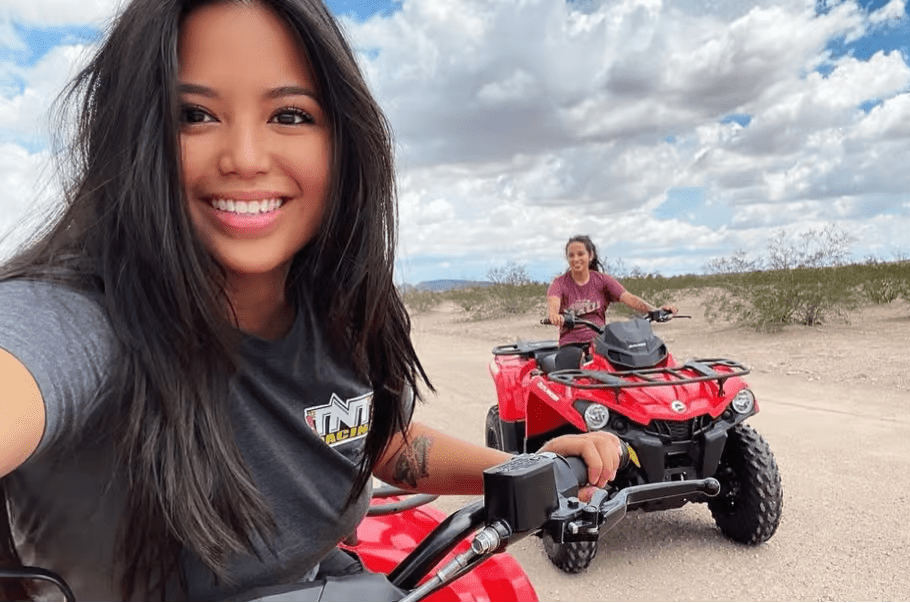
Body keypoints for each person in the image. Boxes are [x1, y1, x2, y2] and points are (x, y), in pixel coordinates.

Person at [0, 1, 623, 600]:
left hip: (334, 581)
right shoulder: (79, 319)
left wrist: (518, 464)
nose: (244, 159)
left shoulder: (343, 309)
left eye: (290, 115)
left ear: (343, 142)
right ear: (131, 138)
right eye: (192, 114)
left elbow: (377, 441)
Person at [547, 235, 678, 349]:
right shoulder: (559, 283)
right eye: (571, 255)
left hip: (600, 341)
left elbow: (628, 298)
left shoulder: (602, 280)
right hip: (571, 343)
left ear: (590, 255)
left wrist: (654, 310)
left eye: (580, 254)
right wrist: (554, 316)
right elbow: (554, 303)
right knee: (570, 363)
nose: (575, 259)